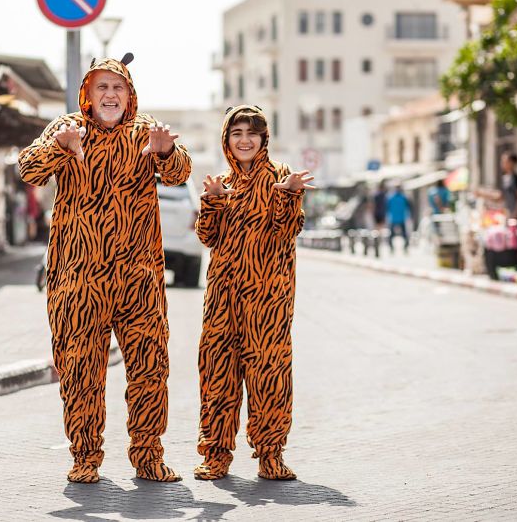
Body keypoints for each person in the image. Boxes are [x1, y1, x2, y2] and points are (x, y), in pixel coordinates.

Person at [17, 54, 191, 484]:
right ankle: (85, 456)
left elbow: (179, 172)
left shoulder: (144, 132)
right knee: (80, 370)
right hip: (78, 278)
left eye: (118, 88)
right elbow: (28, 170)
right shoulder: (66, 128)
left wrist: (166, 151)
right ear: (88, 95)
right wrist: (59, 146)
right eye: (102, 88)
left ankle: (148, 456)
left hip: (139, 277)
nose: (110, 95)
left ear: (129, 94)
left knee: (150, 367)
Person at [193, 105, 314, 481]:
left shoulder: (279, 176)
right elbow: (206, 237)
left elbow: (287, 230)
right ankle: (215, 454)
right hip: (222, 298)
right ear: (227, 140)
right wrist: (212, 200)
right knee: (217, 373)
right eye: (237, 133)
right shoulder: (222, 182)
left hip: (268, 299)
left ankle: (270, 454)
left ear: (264, 139)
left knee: (269, 374)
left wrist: (290, 195)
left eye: (253, 133)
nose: (245, 140)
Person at [386, 184, 412, 253]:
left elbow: (387, 208)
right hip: (400, 218)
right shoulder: (403, 197)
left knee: (392, 235)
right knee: (403, 235)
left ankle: (392, 248)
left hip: (394, 218)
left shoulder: (391, 198)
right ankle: (404, 248)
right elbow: (408, 207)